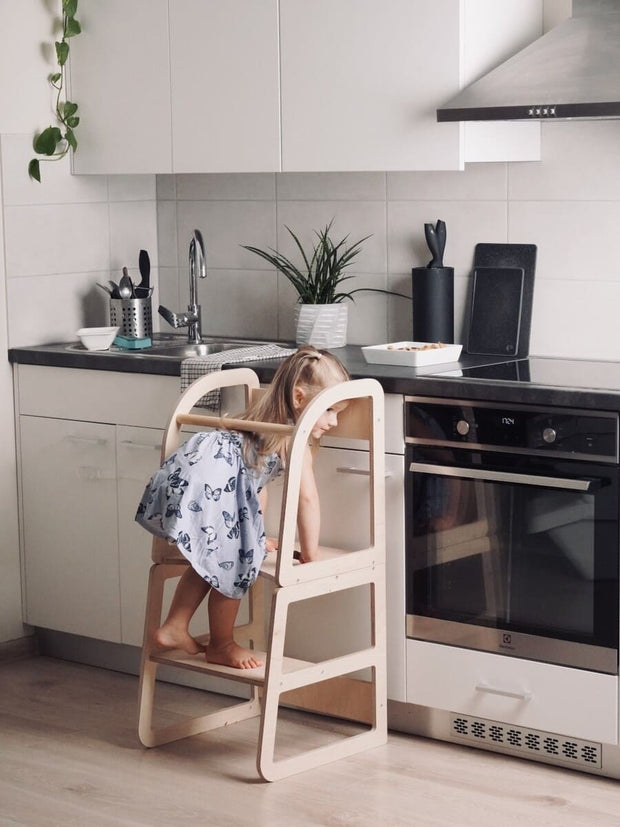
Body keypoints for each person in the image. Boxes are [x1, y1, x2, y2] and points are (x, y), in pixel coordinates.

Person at [135, 345, 350, 670]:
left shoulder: (256, 422)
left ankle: (175, 625)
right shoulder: (294, 438)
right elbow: (307, 499)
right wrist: (310, 554)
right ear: (299, 399)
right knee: (236, 559)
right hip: (212, 484)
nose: (334, 422)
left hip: (192, 472)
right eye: (330, 410)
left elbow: (250, 490)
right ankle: (221, 644)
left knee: (214, 555)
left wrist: (257, 533)